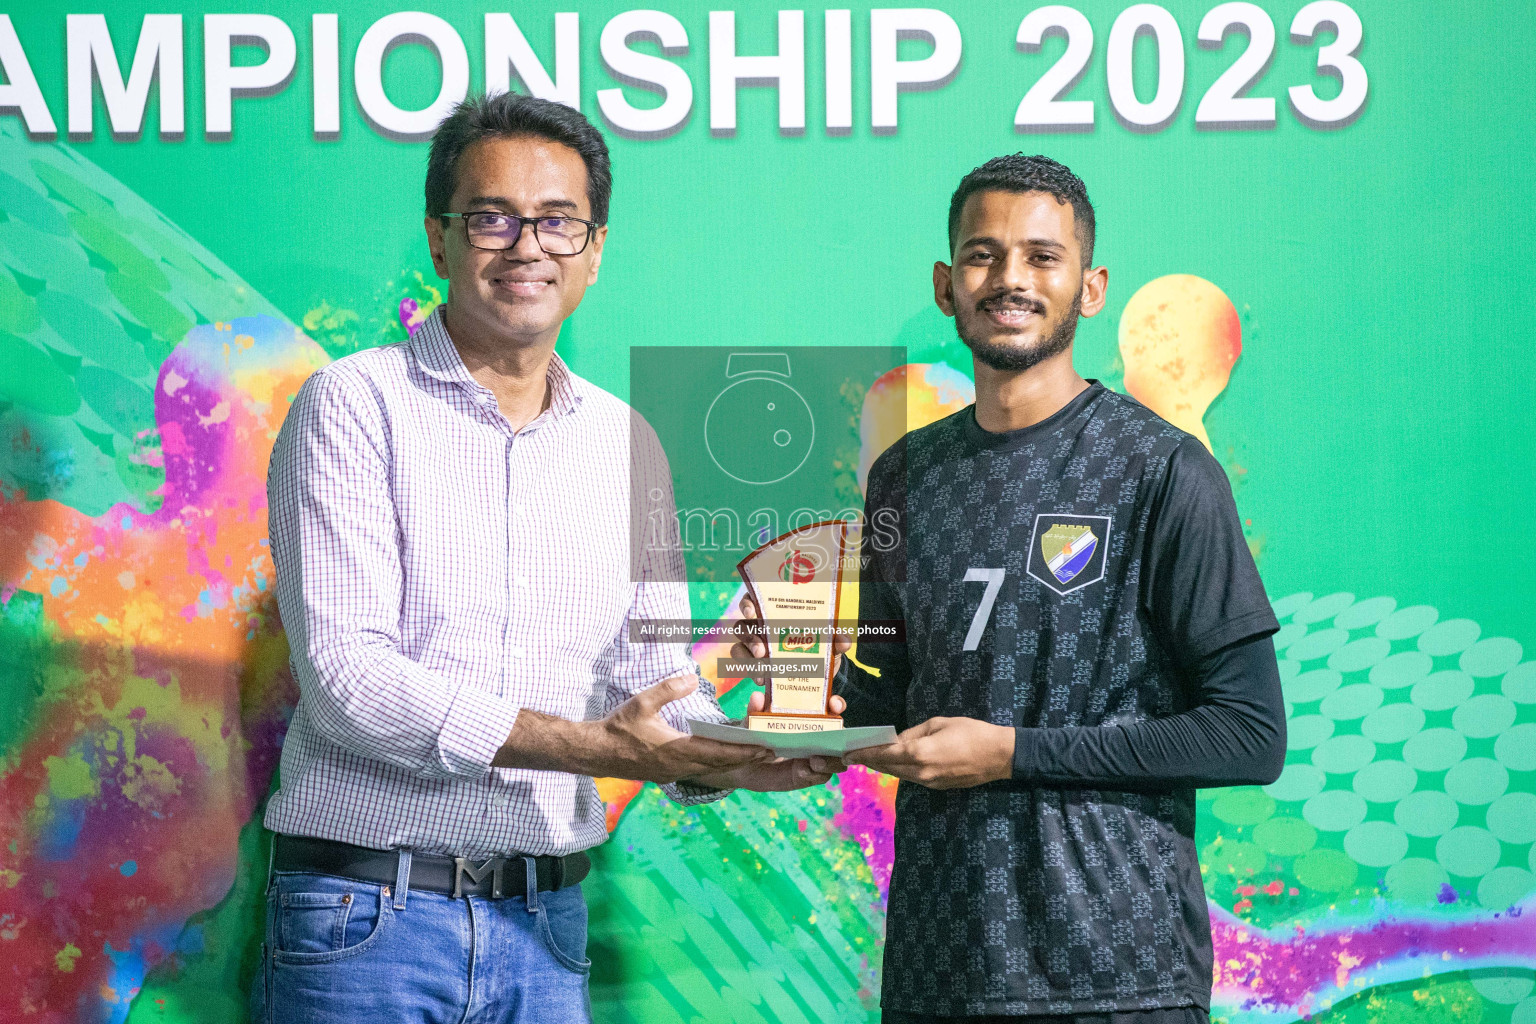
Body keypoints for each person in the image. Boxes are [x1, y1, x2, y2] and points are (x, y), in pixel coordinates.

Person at [255, 93, 830, 1024]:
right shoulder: (353, 407)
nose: (528, 246)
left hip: (547, 926)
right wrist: (591, 748)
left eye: (559, 222)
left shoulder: (628, 442)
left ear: (594, 252)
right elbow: (348, 683)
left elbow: (654, 682)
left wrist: (731, 754)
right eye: (493, 218)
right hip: (365, 922)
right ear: (440, 241)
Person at [736, 154, 1286, 1023]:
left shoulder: (1163, 472)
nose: (1011, 279)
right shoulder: (904, 475)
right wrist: (779, 705)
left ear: (1091, 287)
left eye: (1042, 256)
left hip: (1118, 979)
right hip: (938, 970)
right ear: (946, 284)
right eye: (984, 255)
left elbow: (1250, 736)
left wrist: (1014, 753)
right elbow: (878, 704)